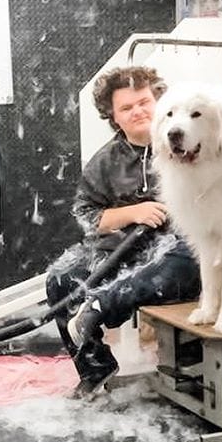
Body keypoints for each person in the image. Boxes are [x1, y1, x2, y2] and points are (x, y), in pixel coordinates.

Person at [45, 66, 200, 399]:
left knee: (185, 259)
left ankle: (99, 308)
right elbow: (85, 215)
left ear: (160, 101)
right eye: (126, 108)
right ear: (113, 117)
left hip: (179, 252)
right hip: (124, 251)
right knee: (61, 277)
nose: (138, 111)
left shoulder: (187, 143)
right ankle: (94, 367)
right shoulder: (105, 162)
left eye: (144, 102)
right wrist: (133, 213)